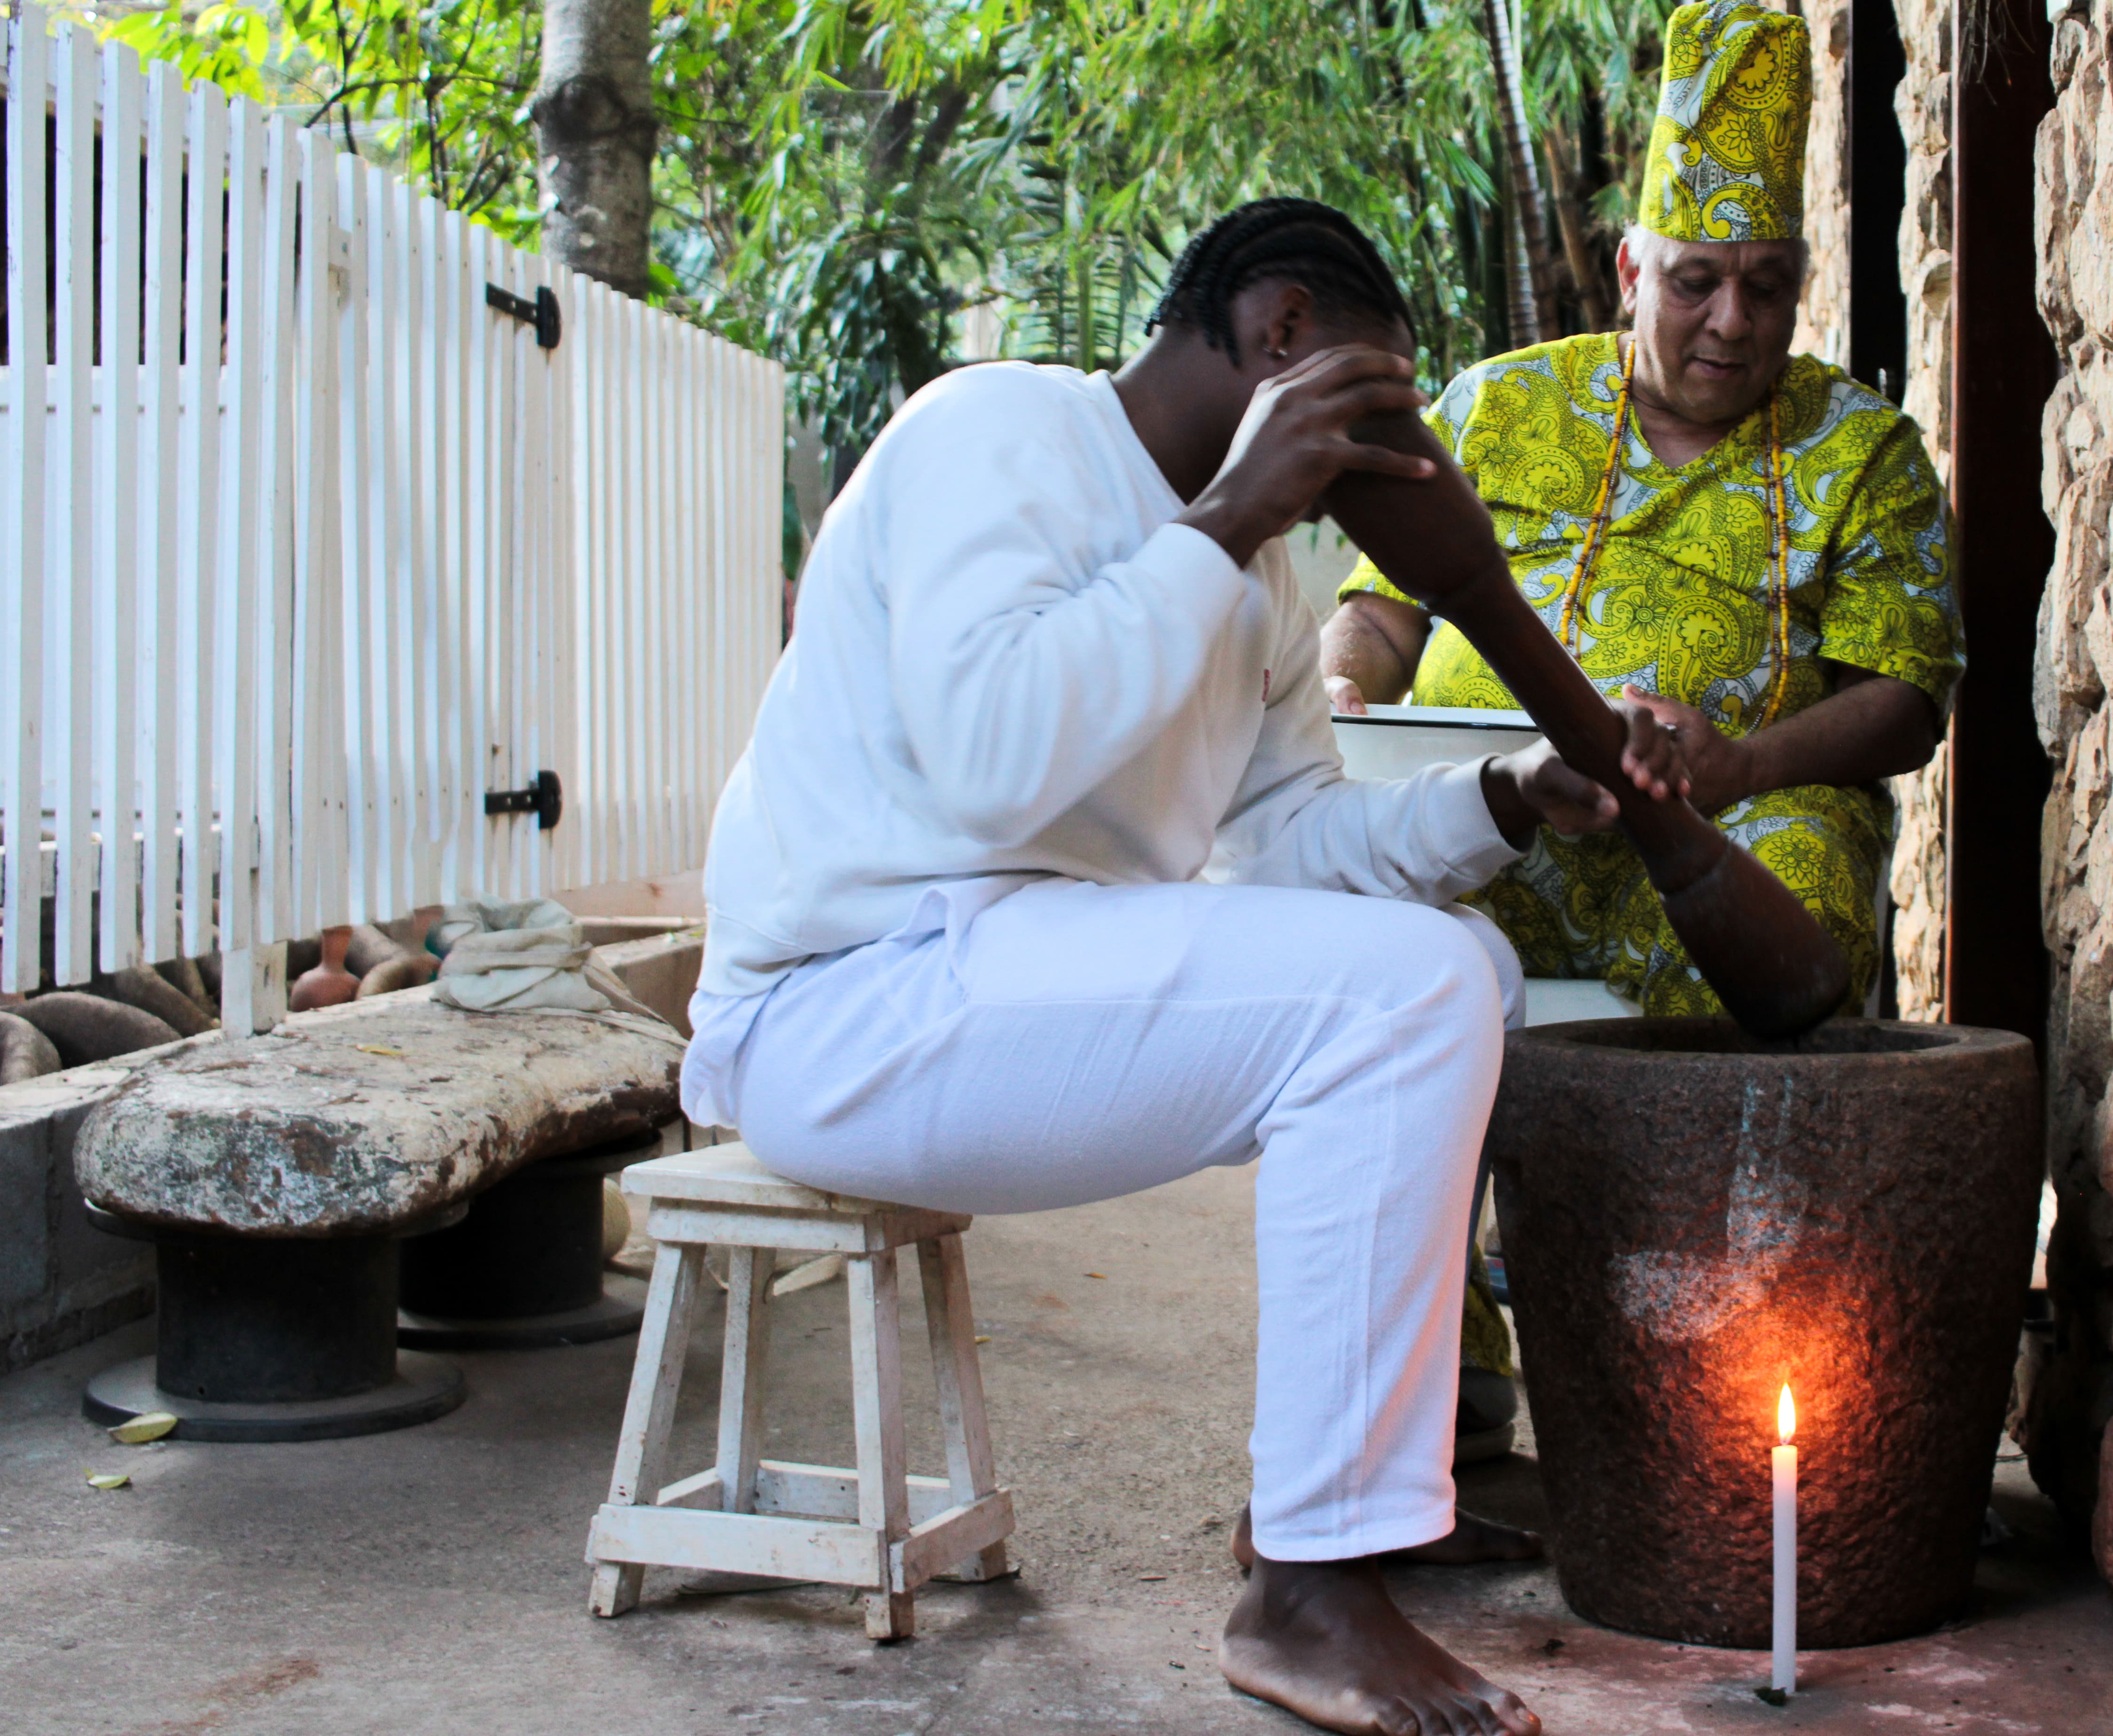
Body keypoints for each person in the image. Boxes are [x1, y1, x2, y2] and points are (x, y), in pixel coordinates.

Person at [681, 197, 1688, 1736]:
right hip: (849, 999)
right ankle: (1307, 1590)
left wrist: (1499, 798)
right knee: (1407, 997)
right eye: (1379, 394)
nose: (1396, 450)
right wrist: (1218, 527)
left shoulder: (1265, 591)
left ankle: (1346, 1508)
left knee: (1460, 973)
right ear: (1281, 333)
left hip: (1020, 978)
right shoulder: (996, 432)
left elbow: (1286, 849)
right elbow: (993, 762)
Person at [1321, 0, 1965, 1020]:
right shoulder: (1496, 404)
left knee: (1804, 903)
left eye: (1766, 287)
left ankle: (1726, 1188)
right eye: (1695, 282)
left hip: (1737, 829)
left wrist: (1742, 763)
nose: (1730, 320)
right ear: (1630, 271)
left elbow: (1907, 696)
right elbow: (1379, 610)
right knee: (1336, 891)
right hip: (1487, 817)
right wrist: (1344, 689)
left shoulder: (1864, 449)